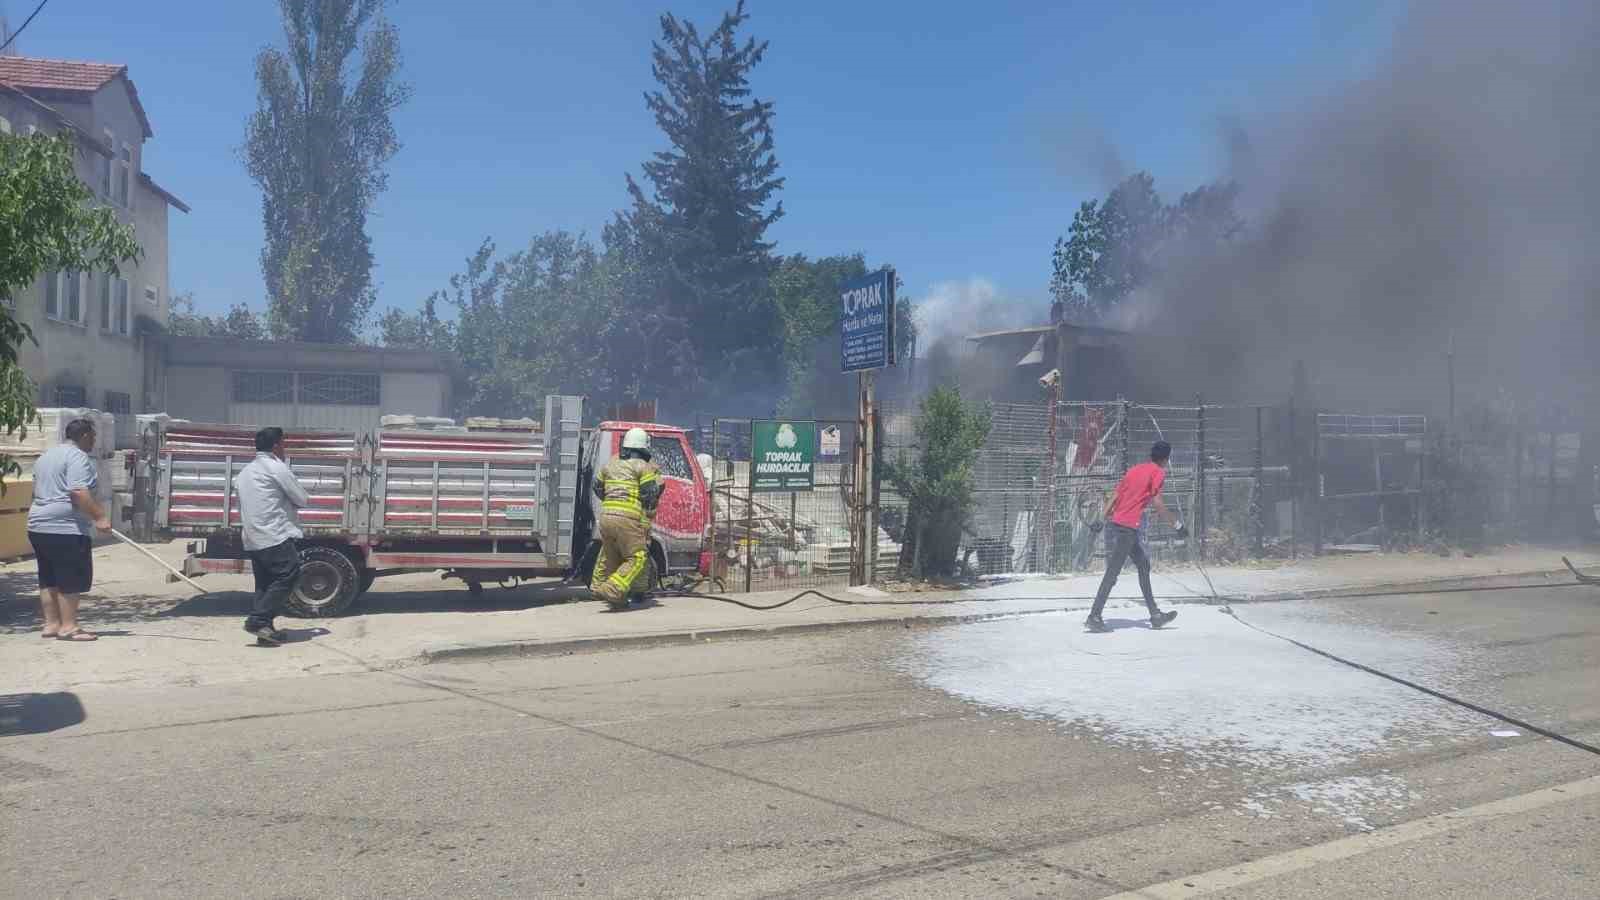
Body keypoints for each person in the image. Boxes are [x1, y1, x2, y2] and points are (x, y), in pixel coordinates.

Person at [1085, 440, 1186, 633]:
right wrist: (1177, 525)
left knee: (1143, 564)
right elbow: (1157, 503)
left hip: (1119, 525)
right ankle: (1094, 616)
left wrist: (1101, 518)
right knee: (1112, 572)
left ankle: (1155, 615)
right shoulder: (1158, 472)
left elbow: (1115, 495)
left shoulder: (1134, 470)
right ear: (1166, 459)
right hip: (1127, 528)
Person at [27, 418, 112, 641]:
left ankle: (52, 624)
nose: (94, 441)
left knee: (48, 577)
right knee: (70, 577)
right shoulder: (77, 457)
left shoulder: (46, 456)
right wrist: (100, 517)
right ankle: (69, 627)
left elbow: (34, 491)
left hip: (38, 524)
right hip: (65, 528)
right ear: (84, 435)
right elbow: (78, 492)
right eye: (93, 436)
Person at [235, 427, 310, 646]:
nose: (284, 448)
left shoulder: (246, 471)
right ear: (277, 445)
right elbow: (302, 499)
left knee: (265, 584)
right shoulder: (276, 467)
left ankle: (265, 632)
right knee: (290, 574)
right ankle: (258, 621)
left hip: (252, 536)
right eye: (283, 444)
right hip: (273, 534)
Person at [590, 427, 662, 611]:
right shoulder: (644, 467)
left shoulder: (611, 463)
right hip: (628, 518)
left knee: (611, 556)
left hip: (606, 516)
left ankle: (603, 590)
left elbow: (597, 487)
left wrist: (612, 501)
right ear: (643, 446)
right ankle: (613, 589)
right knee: (637, 557)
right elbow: (649, 496)